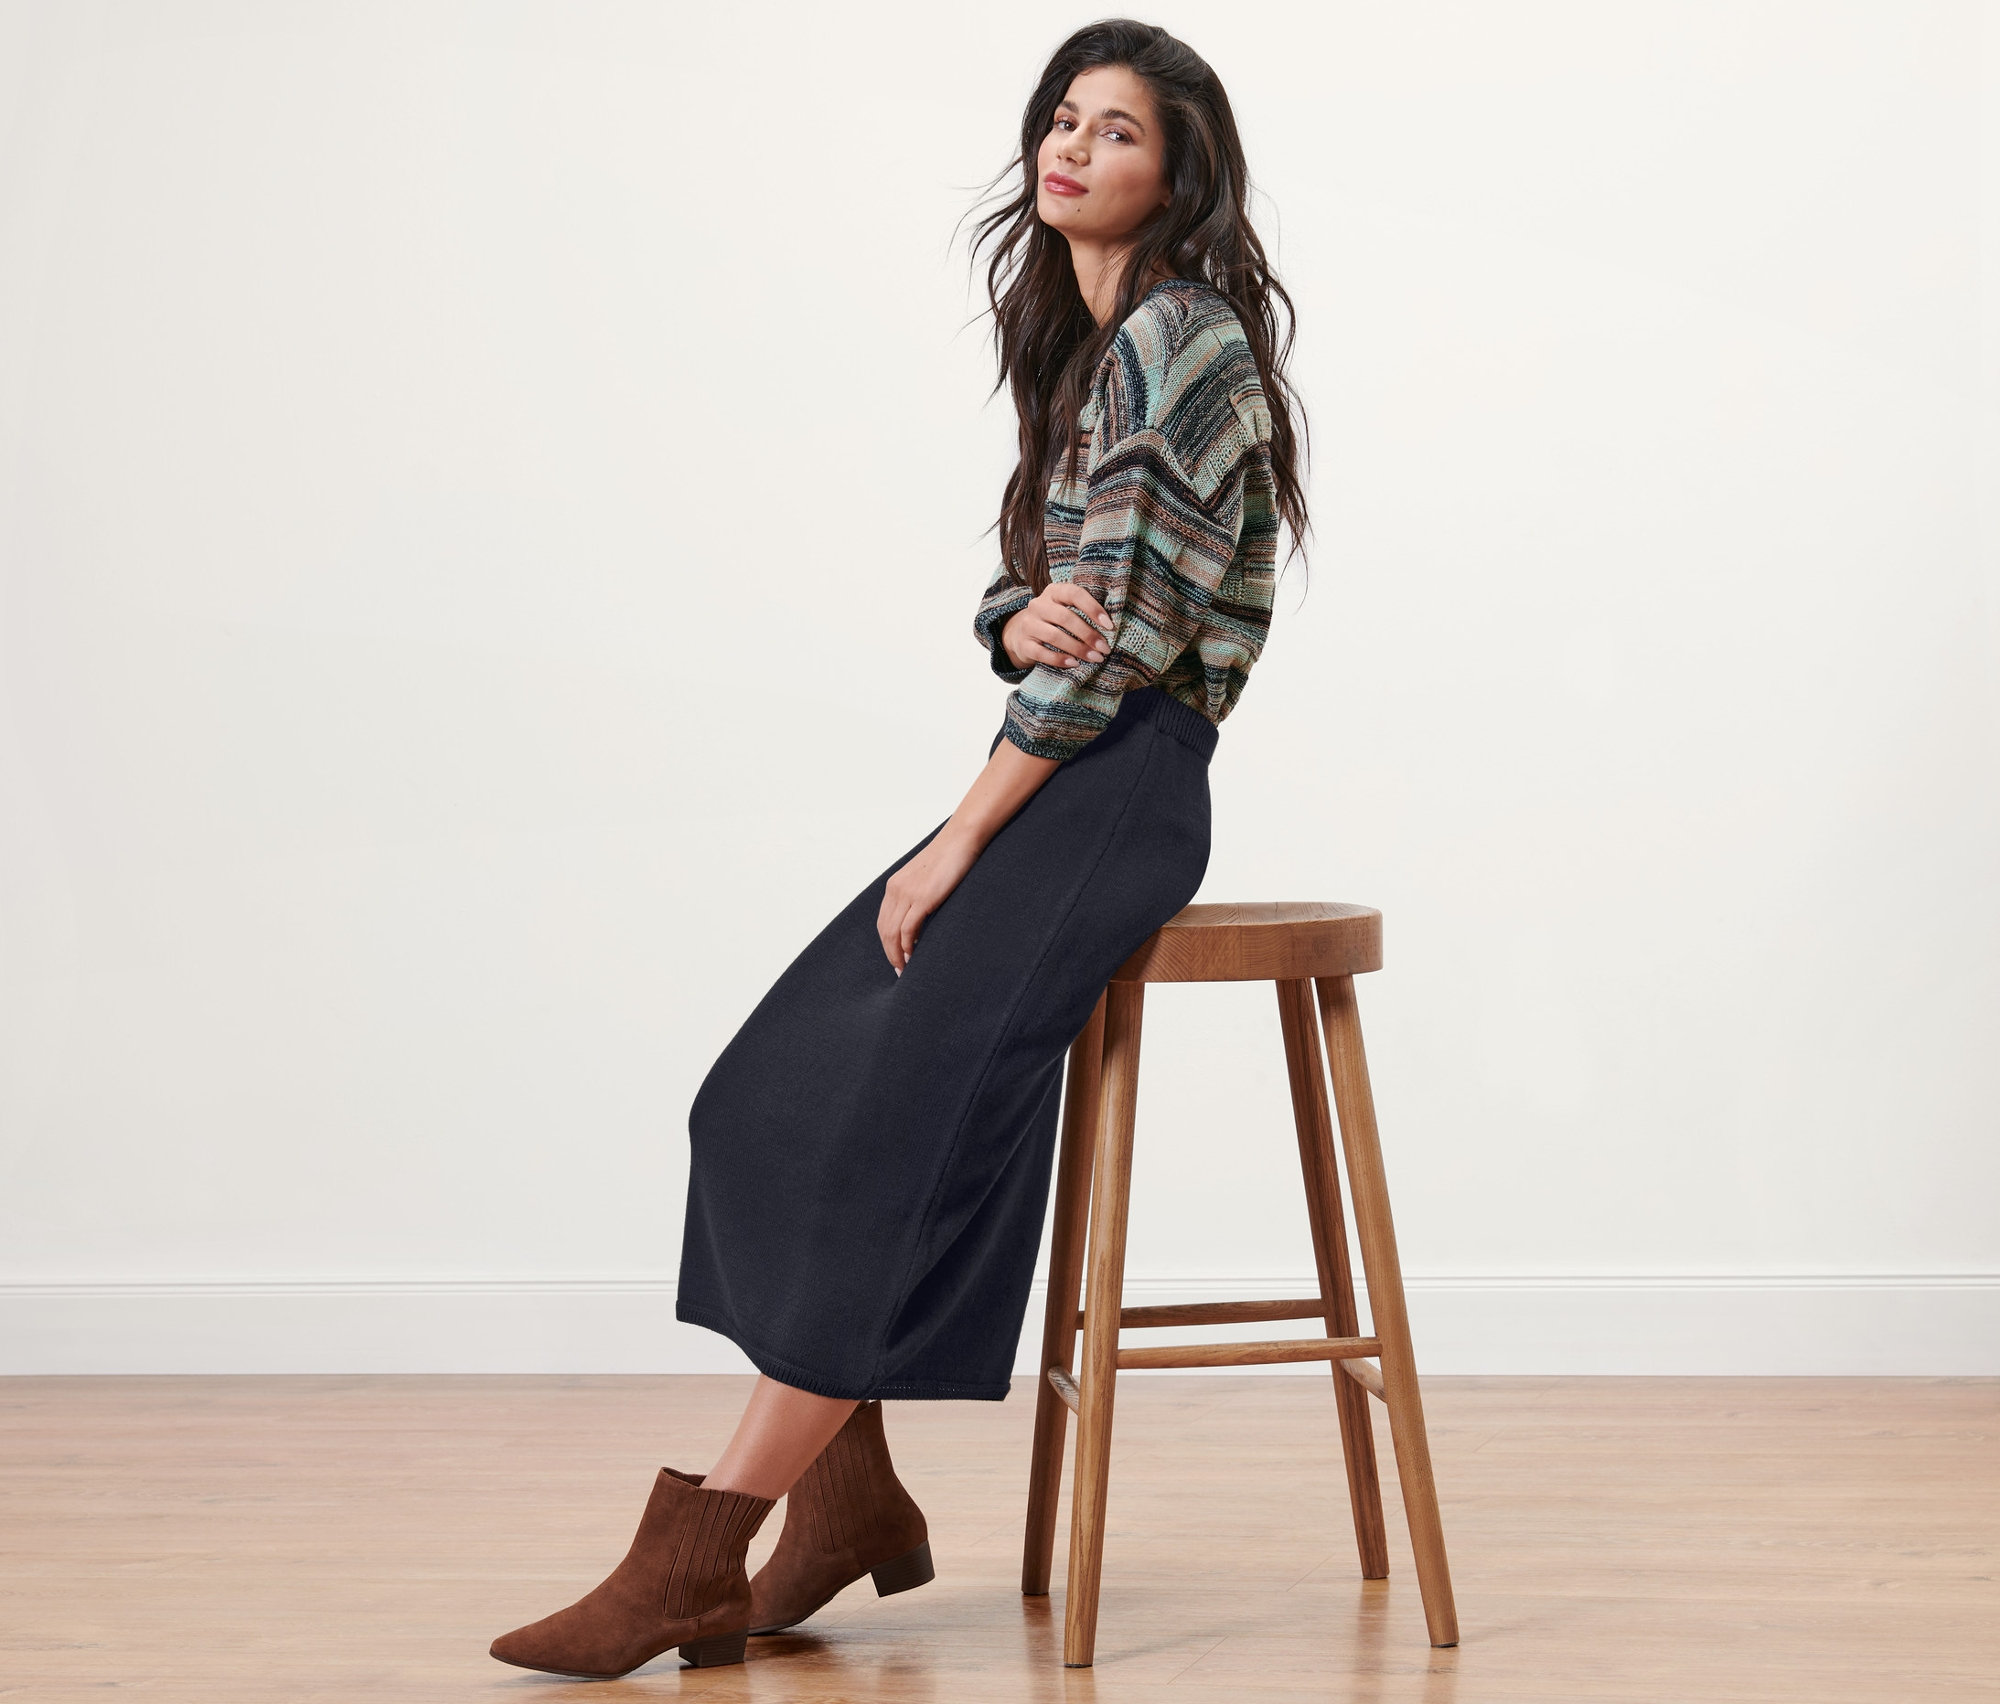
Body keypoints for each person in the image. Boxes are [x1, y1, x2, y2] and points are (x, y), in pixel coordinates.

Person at [487, 17, 1310, 1678]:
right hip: (1069, 763)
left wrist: (956, 834)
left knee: (891, 1124)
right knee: (770, 1092)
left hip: (1122, 786)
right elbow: (1035, 602)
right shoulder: (1094, 350)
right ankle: (849, 1493)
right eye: (1059, 120)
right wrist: (1015, 622)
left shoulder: (1182, 337)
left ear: (1182, 172)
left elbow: (1118, 645)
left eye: (1118, 132)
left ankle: (695, 1560)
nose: (1070, 148)